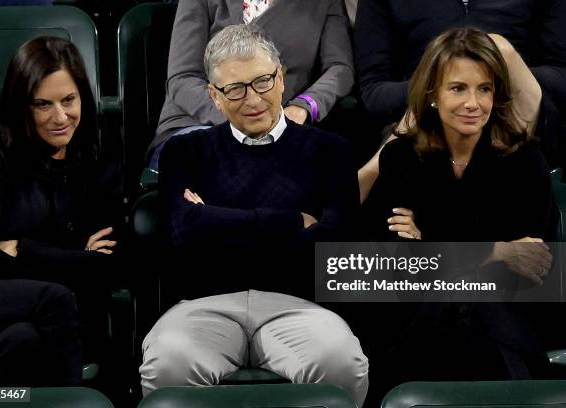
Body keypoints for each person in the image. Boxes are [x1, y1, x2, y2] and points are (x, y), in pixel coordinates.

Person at [140, 24, 368, 406]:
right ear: (215, 96)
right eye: (235, 89)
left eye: (262, 81)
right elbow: (182, 240)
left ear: (281, 79)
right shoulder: (185, 152)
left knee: (341, 363)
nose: (253, 99)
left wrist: (213, 217)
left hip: (300, 305)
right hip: (205, 305)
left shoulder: (333, 152)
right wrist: (294, 221)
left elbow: (334, 250)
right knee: (167, 364)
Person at [367, 26, 559, 404]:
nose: (474, 103)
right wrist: (497, 250)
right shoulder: (402, 159)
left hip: (509, 318)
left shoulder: (525, 164)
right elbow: (394, 265)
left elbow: (540, 266)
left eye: (484, 89)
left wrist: (432, 241)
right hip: (419, 321)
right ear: (432, 94)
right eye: (458, 88)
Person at [0, 36, 124, 380]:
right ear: (21, 106)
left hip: (39, 325)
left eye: (69, 100)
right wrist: (74, 257)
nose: (60, 117)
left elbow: (109, 268)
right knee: (56, 298)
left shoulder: (99, 164)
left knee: (24, 341)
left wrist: (23, 249)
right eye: (42, 104)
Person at [354, 0, 566, 201]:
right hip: (422, 116)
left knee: (498, 47)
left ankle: (370, 174)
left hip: (519, 113)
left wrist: (493, 75)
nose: (471, 103)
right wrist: (442, 82)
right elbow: (374, 92)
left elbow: (561, 75)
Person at [146, 0, 354, 169]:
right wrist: (239, 125)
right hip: (200, 122)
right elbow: (183, 77)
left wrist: (304, 105)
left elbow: (339, 68)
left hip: (276, 127)